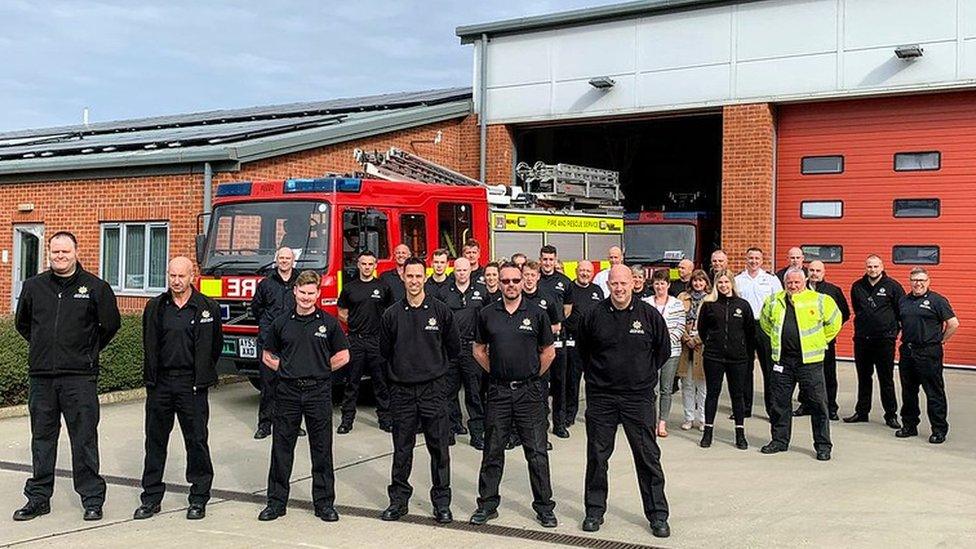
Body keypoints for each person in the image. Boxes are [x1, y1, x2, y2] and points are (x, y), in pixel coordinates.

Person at [13, 231, 121, 522]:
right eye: (55, 253)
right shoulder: (34, 287)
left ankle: (92, 499)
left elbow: (110, 325)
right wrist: (44, 348)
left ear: (76, 252)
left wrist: (85, 351)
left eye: (65, 252)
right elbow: (23, 324)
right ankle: (38, 498)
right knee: (42, 439)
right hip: (42, 378)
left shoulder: (96, 288)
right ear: (49, 253)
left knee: (84, 439)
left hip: (79, 379)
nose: (60, 257)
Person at [576, 264, 671, 538]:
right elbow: (583, 351)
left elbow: (662, 351)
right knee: (597, 456)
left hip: (638, 398)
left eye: (623, 284)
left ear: (634, 284)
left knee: (648, 457)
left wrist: (640, 374)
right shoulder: (593, 316)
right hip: (602, 397)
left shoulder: (649, 316)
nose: (618, 289)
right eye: (614, 284)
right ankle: (594, 511)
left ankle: (657, 515)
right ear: (608, 285)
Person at [257, 271, 350, 522]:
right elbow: (268, 356)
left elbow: (343, 356)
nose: (307, 297)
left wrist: (319, 369)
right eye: (303, 292)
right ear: (295, 292)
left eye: (312, 293)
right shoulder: (281, 322)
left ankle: (324, 504)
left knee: (321, 449)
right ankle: (276, 503)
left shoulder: (329, 324)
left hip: (318, 392)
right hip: (287, 392)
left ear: (317, 294)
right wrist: (288, 370)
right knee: (281, 448)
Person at [134, 257, 223, 521]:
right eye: (172, 275)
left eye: (181, 276)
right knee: (155, 442)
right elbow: (148, 342)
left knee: (196, 441)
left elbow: (215, 345)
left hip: (192, 386)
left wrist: (202, 373)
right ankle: (151, 498)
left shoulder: (207, 308)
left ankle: (198, 498)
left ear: (192, 276)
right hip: (160, 384)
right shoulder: (156, 307)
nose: (176, 281)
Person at [470, 263, 556, 528]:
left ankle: (544, 508)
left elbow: (548, 352)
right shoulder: (486, 314)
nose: (510, 285)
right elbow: (478, 350)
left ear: (522, 282)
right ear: (499, 284)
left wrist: (529, 376)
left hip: (530, 393)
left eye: (514, 280)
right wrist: (498, 373)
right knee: (493, 451)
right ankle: (486, 505)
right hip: (498, 392)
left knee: (537, 453)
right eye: (505, 281)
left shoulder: (537, 314)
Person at [379, 257, 460, 524]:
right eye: (409, 276)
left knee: (439, 449)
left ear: (424, 278)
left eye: (418, 276)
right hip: (402, 392)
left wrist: (438, 380)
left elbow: (453, 349)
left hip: (433, 391)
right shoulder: (391, 314)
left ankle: (441, 503)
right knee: (402, 449)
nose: (414, 281)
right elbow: (385, 352)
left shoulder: (441, 311)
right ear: (403, 277)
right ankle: (398, 501)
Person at [759, 268, 842, 461]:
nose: (793, 286)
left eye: (797, 283)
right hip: (782, 362)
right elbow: (765, 323)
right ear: (785, 283)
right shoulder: (773, 301)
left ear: (804, 281)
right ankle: (779, 440)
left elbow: (834, 323)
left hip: (809, 362)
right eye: (790, 283)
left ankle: (823, 445)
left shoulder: (821, 300)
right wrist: (777, 340)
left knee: (818, 404)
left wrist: (820, 341)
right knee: (779, 403)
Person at [895, 268, 959, 444]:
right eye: (914, 280)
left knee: (934, 393)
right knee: (908, 392)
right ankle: (909, 426)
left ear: (928, 281)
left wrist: (941, 340)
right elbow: (900, 323)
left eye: (922, 280)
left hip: (929, 352)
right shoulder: (903, 301)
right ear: (910, 281)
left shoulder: (937, 301)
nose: (918, 283)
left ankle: (938, 430)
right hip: (907, 352)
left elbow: (953, 324)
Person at [336, 250, 393, 434]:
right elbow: (341, 312)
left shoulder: (383, 287)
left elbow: (390, 313)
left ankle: (385, 419)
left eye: (370, 264)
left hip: (377, 341)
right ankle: (347, 420)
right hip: (356, 341)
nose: (367, 267)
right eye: (363, 264)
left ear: (375, 265)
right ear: (358, 265)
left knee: (381, 382)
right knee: (352, 383)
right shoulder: (349, 288)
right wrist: (353, 324)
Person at [696, 271, 754, 449]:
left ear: (732, 284)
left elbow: (750, 331)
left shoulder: (742, 305)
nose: (723, 285)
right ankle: (708, 433)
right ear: (715, 285)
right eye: (720, 282)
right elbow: (702, 329)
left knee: (737, 395)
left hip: (738, 358)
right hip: (714, 356)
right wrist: (713, 344)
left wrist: (746, 352)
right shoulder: (709, 305)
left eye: (726, 282)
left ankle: (740, 433)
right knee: (712, 394)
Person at [846, 255, 905, 428]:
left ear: (882, 267)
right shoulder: (857, 286)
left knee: (885, 378)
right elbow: (858, 310)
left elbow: (901, 311)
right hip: (862, 339)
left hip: (884, 340)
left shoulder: (893, 286)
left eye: (876, 266)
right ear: (866, 267)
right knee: (864, 378)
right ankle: (862, 412)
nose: (872, 269)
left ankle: (891, 415)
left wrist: (892, 332)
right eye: (869, 266)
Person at [439, 257, 489, 449]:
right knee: (449, 392)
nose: (461, 273)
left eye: (465, 270)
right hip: (451, 349)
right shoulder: (444, 293)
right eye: (458, 270)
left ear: (470, 271)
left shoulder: (481, 291)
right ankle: (452, 428)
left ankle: (477, 434)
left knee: (474, 393)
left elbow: (486, 320)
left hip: (472, 348)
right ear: (454, 270)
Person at [251, 246, 299, 440]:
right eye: (281, 258)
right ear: (276, 260)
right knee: (268, 385)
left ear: (293, 260)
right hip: (270, 341)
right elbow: (256, 308)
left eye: (288, 258)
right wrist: (267, 326)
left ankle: (294, 425)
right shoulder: (266, 284)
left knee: (293, 387)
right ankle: (265, 425)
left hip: (294, 341)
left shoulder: (300, 280)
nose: (284, 261)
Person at [794, 260, 850, 420]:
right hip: (804, 343)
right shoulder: (799, 290)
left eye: (818, 270)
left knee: (828, 375)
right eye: (811, 270)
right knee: (804, 376)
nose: (814, 273)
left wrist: (827, 333)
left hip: (825, 342)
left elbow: (843, 314)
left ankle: (831, 407)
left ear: (824, 272)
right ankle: (805, 404)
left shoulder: (833, 291)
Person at [734, 247, 782, 418]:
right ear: (745, 259)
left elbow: (779, 303)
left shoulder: (771, 280)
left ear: (762, 260)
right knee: (744, 369)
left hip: (764, 325)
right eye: (751, 258)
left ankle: (772, 409)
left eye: (757, 258)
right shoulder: (738, 280)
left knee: (769, 370)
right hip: (744, 326)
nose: (753, 261)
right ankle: (744, 408)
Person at [538, 245, 574, 439]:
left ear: (555, 260)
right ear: (540, 259)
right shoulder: (535, 280)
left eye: (551, 259)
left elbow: (568, 308)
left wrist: (557, 322)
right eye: (544, 259)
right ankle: (542, 423)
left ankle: (559, 424)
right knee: (542, 383)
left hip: (559, 339)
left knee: (560, 382)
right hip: (540, 341)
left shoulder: (565, 282)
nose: (547, 263)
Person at [563, 260, 604, 428]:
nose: (585, 273)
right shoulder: (569, 288)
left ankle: (595, 414)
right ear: (576, 271)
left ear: (592, 273)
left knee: (594, 381)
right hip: (574, 341)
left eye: (588, 271)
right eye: (582, 270)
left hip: (594, 343)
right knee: (572, 380)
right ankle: (569, 414)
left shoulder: (597, 290)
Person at [648, 270, 686, 437]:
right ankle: (650, 421)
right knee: (651, 388)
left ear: (668, 285)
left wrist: (665, 342)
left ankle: (662, 422)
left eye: (663, 283)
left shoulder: (677, 304)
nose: (659, 287)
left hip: (672, 351)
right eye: (657, 283)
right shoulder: (647, 303)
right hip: (651, 353)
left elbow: (680, 326)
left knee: (666, 388)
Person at [676, 270, 710, 431]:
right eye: (695, 281)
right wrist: (685, 338)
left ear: (706, 283)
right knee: (687, 384)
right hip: (685, 345)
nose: (698, 284)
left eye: (701, 281)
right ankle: (689, 417)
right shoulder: (683, 297)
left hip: (702, 346)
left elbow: (712, 325)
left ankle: (703, 419)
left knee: (702, 386)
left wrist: (697, 339)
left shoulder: (711, 299)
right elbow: (676, 318)